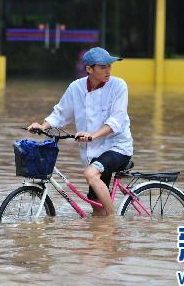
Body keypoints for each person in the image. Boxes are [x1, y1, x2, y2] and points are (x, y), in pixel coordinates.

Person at [27, 47, 133, 216]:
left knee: (90, 174)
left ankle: (114, 222)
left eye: (109, 66)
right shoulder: (76, 87)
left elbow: (117, 121)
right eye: (103, 67)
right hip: (92, 153)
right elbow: (61, 113)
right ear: (89, 69)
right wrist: (43, 126)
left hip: (117, 147)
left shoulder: (118, 86)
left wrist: (92, 135)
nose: (108, 70)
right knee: (98, 211)